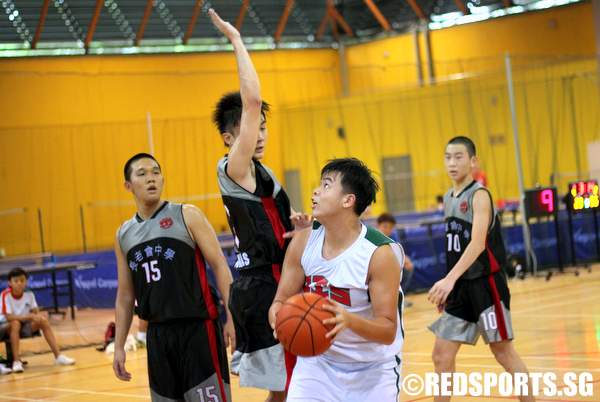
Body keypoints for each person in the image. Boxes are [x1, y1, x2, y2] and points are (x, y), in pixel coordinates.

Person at [211, 9, 311, 400]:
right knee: (290, 386)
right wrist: (237, 40)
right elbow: (252, 101)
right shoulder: (234, 169)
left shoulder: (265, 176)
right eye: (252, 128)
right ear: (228, 138)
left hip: (281, 279)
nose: (260, 133)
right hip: (261, 287)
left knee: (287, 389)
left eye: (264, 126)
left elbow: (281, 229)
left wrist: (300, 230)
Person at [269, 158, 404, 402]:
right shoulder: (302, 242)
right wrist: (279, 319)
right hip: (317, 365)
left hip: (372, 370)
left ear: (348, 200)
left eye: (327, 185)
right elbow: (280, 300)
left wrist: (348, 320)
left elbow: (387, 331)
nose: (316, 191)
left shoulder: (379, 253)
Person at [112, 152, 235, 402]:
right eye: (142, 174)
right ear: (128, 186)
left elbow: (221, 267)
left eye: (156, 172)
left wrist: (233, 317)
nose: (151, 179)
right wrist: (119, 346)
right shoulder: (124, 234)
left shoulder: (186, 215)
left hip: (197, 330)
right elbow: (125, 295)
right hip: (158, 337)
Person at [428, 136, 533, 402]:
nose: (452, 162)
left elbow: (476, 244)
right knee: (441, 356)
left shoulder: (480, 195)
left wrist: (448, 280)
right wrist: (450, 289)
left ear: (473, 161)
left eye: (459, 156)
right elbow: (455, 249)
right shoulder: (449, 198)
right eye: (448, 157)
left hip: (486, 286)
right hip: (460, 288)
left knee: (503, 353)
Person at [1, 267, 75, 372]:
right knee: (15, 323)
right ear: (10, 283)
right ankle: (16, 361)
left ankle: (58, 356)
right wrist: (29, 316)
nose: (19, 283)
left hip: (23, 325)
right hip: (6, 327)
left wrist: (38, 316)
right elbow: (9, 317)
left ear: (26, 281)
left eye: (22, 280)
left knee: (43, 321)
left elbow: (35, 312)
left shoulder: (29, 294)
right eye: (16, 281)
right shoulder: (5, 295)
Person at [376, 212, 415, 307]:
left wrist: (407, 260)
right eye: (385, 227)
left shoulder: (392, 237)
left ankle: (399, 298)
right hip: (377, 269)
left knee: (407, 269)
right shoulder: (373, 237)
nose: (388, 230)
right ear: (378, 225)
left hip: (390, 266)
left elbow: (398, 251)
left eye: (390, 227)